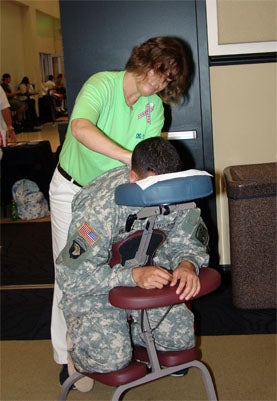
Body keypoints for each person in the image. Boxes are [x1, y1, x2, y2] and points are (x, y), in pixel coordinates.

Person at [49, 36, 192, 383]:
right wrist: (131, 159)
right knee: (72, 272)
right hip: (73, 190)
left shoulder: (154, 107)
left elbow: (149, 160)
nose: (159, 83)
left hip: (115, 200)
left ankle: (120, 342)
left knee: (126, 264)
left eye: (168, 79)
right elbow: (81, 128)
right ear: (144, 59)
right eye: (159, 71)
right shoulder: (102, 84)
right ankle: (69, 357)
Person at [56, 137, 209, 383]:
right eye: (154, 187)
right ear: (133, 179)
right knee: (111, 360)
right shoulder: (99, 207)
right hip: (99, 287)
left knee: (179, 340)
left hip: (151, 276)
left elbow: (189, 239)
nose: (163, 198)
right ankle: (79, 342)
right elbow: (72, 276)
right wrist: (132, 276)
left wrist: (187, 263)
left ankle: (133, 330)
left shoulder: (177, 188)